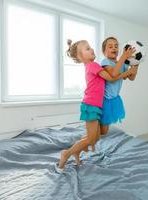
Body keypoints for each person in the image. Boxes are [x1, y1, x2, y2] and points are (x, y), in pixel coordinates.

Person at [56, 39, 135, 172]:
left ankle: (77, 150)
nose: (91, 49)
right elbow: (111, 78)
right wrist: (127, 72)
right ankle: (67, 153)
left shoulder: (92, 65)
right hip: (91, 105)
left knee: (96, 136)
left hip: (96, 105)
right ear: (81, 57)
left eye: (90, 47)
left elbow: (112, 77)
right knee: (91, 139)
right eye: (87, 49)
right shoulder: (93, 65)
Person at [99, 37, 139, 135]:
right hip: (105, 100)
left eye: (116, 46)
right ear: (104, 52)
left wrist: (136, 63)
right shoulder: (105, 62)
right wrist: (124, 57)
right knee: (103, 129)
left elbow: (131, 77)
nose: (114, 48)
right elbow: (113, 73)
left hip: (115, 99)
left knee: (106, 128)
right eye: (110, 47)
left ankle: (99, 139)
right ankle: (94, 136)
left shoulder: (122, 63)